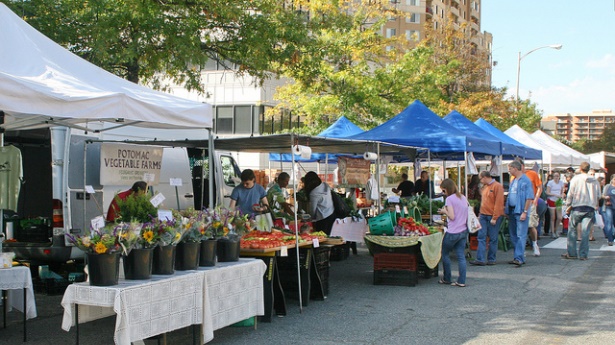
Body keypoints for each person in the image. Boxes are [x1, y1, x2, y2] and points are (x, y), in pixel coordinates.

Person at [562, 162, 601, 260]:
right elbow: (599, 196)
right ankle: (583, 254)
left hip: (577, 207)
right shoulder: (595, 181)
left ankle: (572, 253)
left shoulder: (576, 179)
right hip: (589, 207)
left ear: (580, 168)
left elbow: (570, 193)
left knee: (572, 230)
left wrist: (568, 205)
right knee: (585, 232)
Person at [437, 178, 468, 287]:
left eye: (443, 191)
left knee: (445, 254)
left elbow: (452, 216)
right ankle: (461, 280)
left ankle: (447, 278)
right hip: (463, 230)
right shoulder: (463, 197)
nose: (443, 193)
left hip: (453, 231)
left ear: (448, 189)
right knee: (461, 256)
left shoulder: (450, 199)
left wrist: (444, 211)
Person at [469, 171, 505, 266]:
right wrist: (480, 214)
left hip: (492, 215)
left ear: (485, 177)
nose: (480, 181)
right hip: (484, 215)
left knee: (493, 238)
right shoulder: (485, 187)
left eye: (480, 179)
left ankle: (491, 259)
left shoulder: (497, 186)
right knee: (481, 236)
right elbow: (483, 202)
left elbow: (499, 203)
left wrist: (495, 217)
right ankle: (480, 259)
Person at [505, 160, 534, 267]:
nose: (509, 171)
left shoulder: (525, 180)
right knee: (513, 234)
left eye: (510, 169)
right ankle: (517, 256)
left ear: (515, 168)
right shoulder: (513, 180)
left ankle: (519, 258)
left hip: (520, 210)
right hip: (512, 210)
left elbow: (529, 197)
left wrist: (525, 212)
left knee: (520, 234)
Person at [515, 158, 542, 257]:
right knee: (520, 227)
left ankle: (534, 244)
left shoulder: (532, 174)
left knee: (531, 225)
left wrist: (536, 199)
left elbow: (539, 187)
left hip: (530, 203)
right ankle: (522, 249)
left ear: (522, 166)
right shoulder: (513, 177)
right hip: (518, 205)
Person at [546, 171, 565, 239]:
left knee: (559, 217)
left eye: (557, 176)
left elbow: (562, 191)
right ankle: (552, 232)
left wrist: (562, 195)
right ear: (553, 177)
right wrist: (554, 194)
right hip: (551, 199)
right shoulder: (550, 183)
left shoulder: (561, 183)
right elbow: (547, 192)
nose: (556, 177)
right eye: (555, 176)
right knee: (553, 217)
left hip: (558, 200)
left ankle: (555, 229)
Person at [601, 174, 615, 246]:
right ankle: (610, 239)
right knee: (609, 223)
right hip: (609, 207)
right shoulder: (607, 186)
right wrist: (605, 197)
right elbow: (602, 195)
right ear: (612, 180)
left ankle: (613, 237)